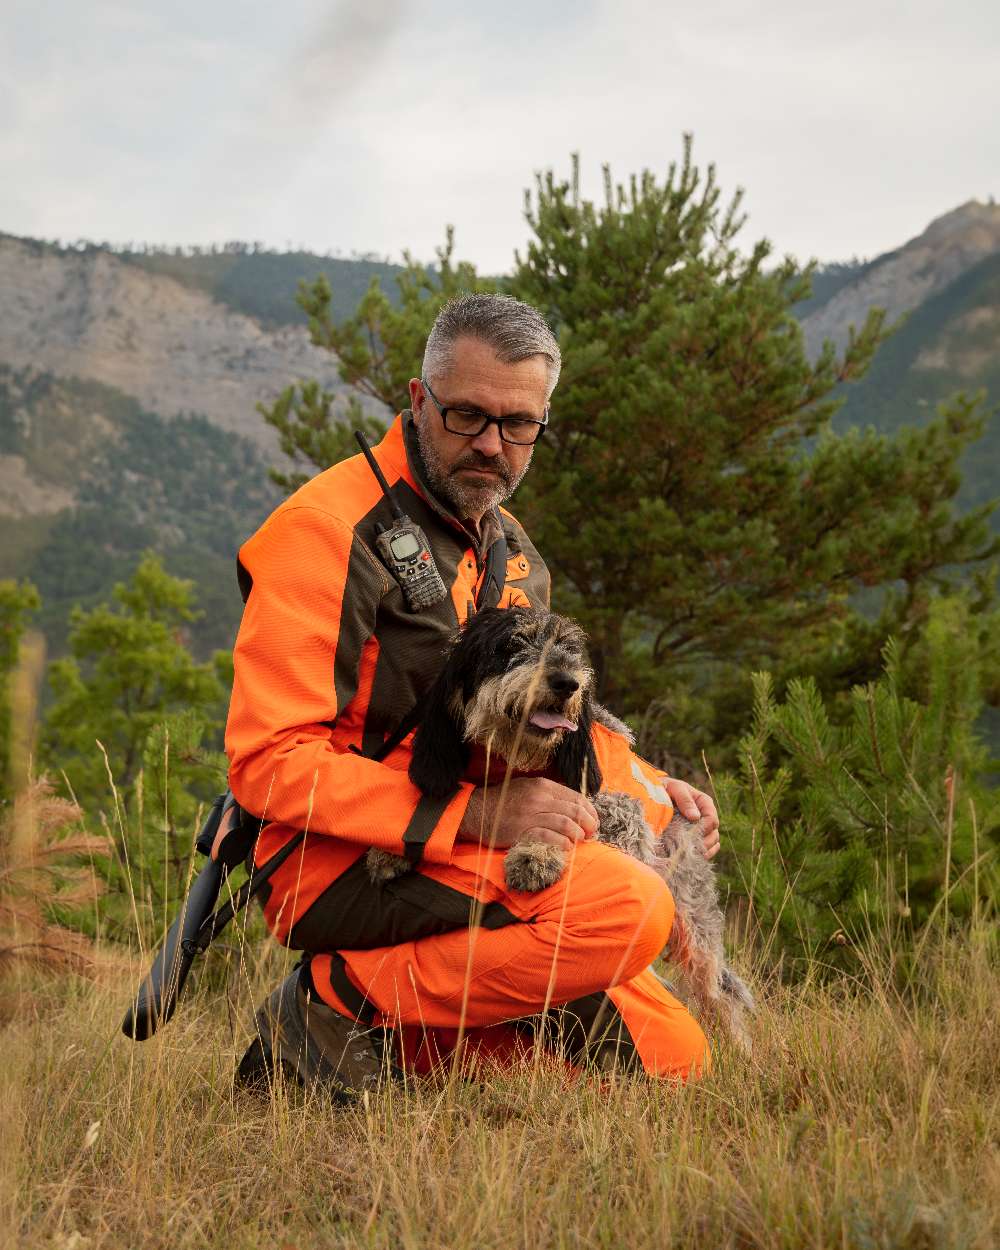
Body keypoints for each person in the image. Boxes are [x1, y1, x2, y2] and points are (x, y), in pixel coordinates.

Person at [224, 293, 721, 1093]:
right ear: (420, 401)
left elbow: (548, 713)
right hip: (339, 862)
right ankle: (332, 1004)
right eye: (467, 416)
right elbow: (267, 764)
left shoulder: (511, 552)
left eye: (518, 424)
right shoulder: (325, 530)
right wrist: (474, 815)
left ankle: (407, 1049)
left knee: (676, 1060)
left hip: (474, 855)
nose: (492, 444)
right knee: (626, 907)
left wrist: (654, 788)